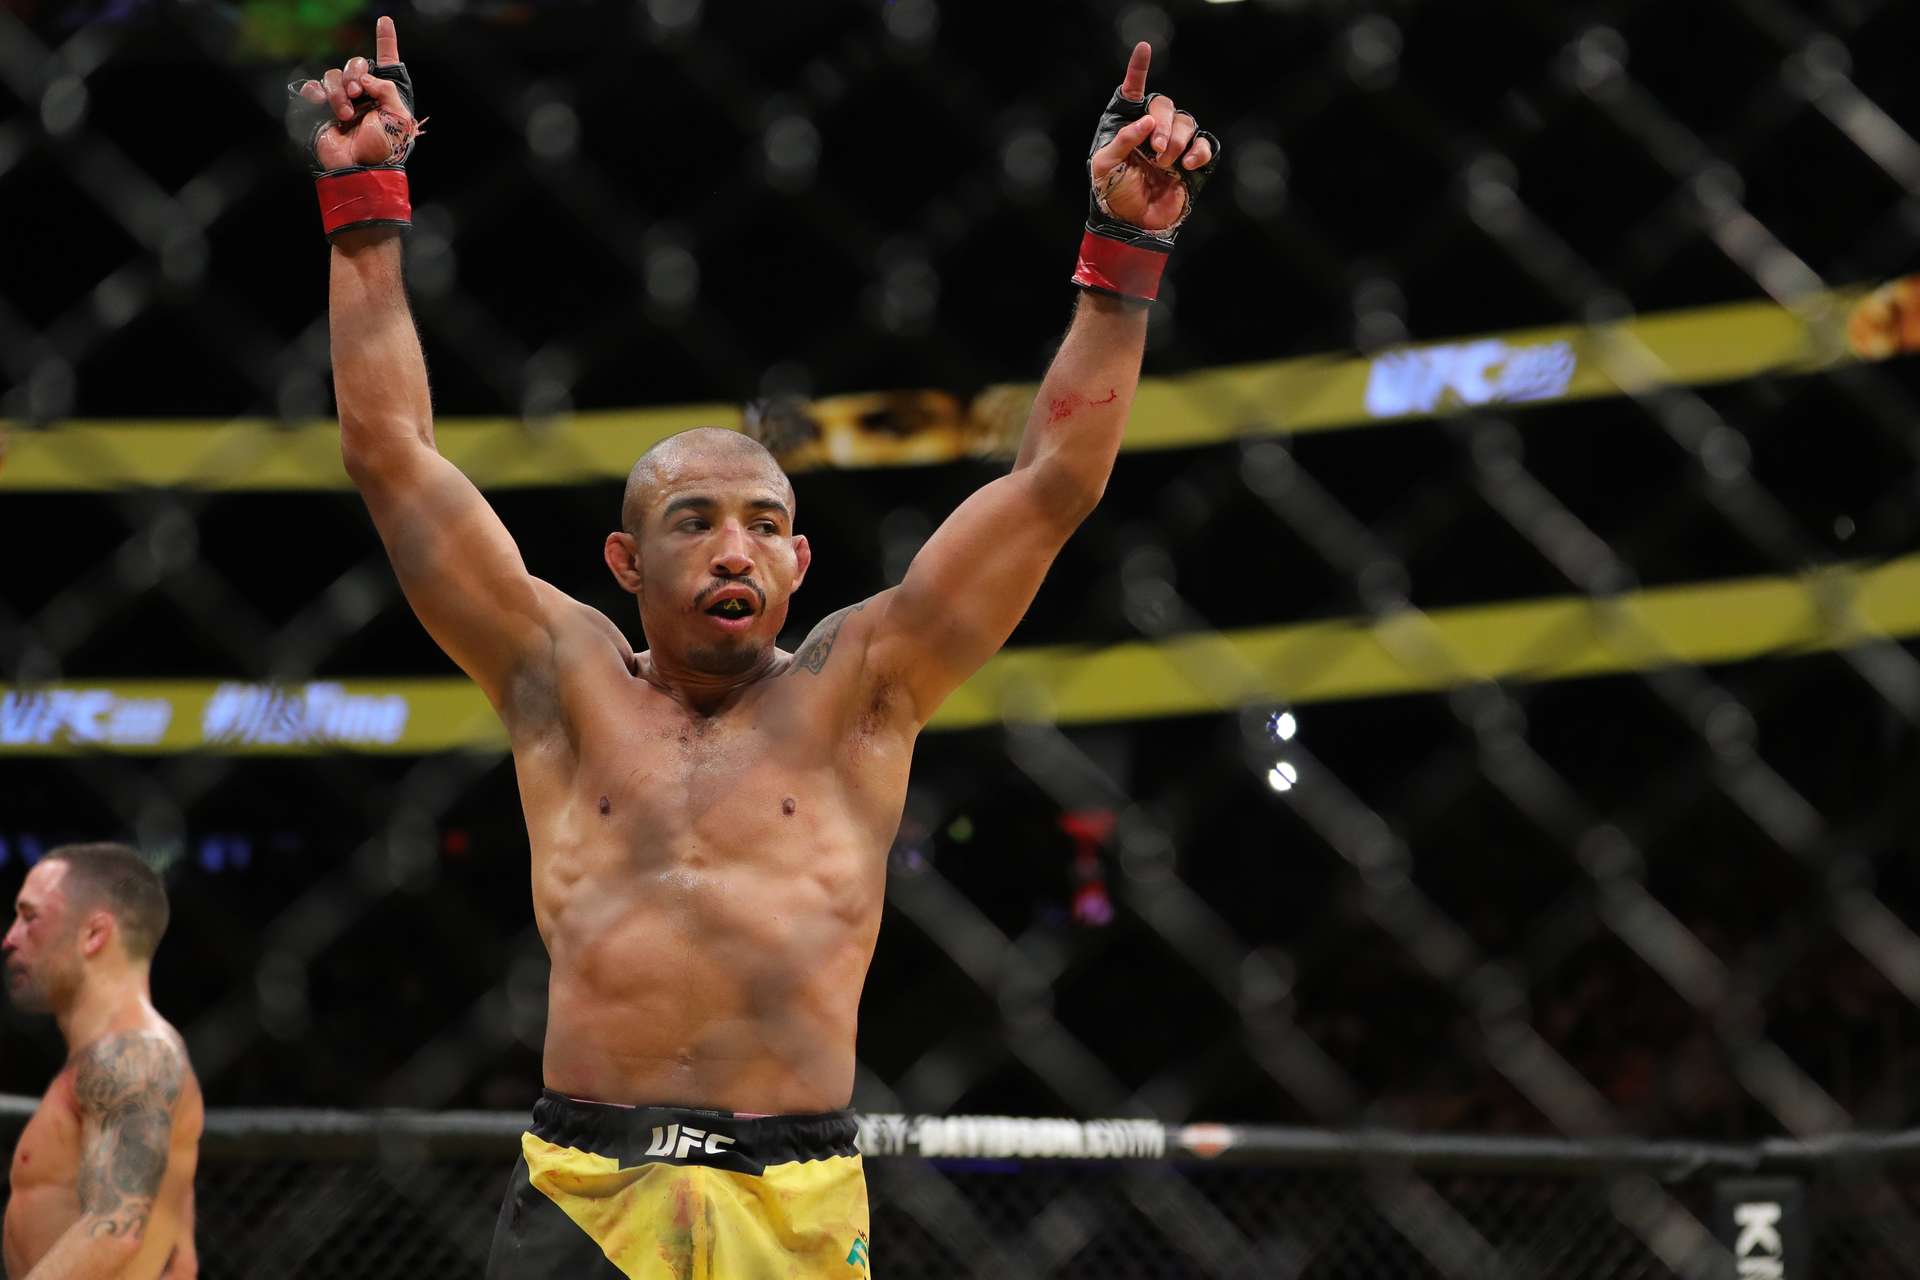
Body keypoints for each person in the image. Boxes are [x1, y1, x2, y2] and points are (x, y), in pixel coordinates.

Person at [294, 18, 1215, 1277]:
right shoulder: (560, 679)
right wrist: (363, 209)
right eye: (695, 521)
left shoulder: (865, 688)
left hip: (794, 1198)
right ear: (626, 562)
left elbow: (1054, 483)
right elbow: (391, 458)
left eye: (766, 525)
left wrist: (1125, 247)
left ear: (800, 563)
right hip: (583, 1191)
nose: (735, 549)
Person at [2, 844, 202, 1279]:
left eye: (30, 917)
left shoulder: (133, 1055)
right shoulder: (111, 1057)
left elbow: (114, 1228)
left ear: (94, 934)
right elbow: (179, 1258)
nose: (9, 938)